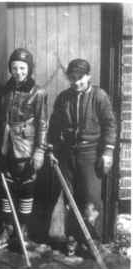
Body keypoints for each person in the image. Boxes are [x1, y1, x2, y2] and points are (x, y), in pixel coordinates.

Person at [48, 58, 116, 256]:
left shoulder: (99, 96)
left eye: (80, 78)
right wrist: (51, 147)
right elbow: (54, 125)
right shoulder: (64, 97)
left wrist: (108, 151)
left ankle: (92, 239)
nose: (76, 82)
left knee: (91, 198)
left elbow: (110, 125)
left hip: (91, 154)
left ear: (89, 76)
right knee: (70, 197)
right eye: (72, 78)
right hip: (68, 153)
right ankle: (72, 237)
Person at [0, 48, 48, 251]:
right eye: (14, 68)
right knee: (7, 187)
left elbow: (42, 123)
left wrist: (39, 150)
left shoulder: (38, 92)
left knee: (26, 188)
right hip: (6, 146)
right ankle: (7, 228)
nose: (18, 72)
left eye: (22, 68)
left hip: (26, 147)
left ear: (29, 69)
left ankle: (23, 229)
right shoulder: (6, 89)